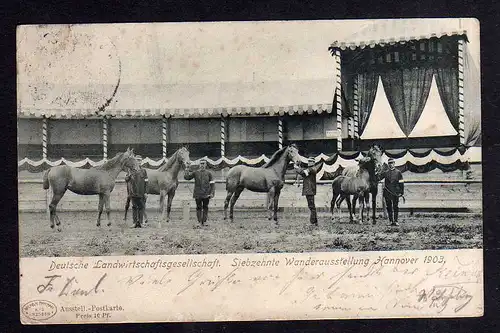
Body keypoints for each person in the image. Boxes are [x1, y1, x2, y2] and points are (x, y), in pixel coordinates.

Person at [184, 159, 215, 226]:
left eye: (203, 163)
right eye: (201, 163)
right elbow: (187, 177)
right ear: (199, 164)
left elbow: (212, 184)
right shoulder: (195, 173)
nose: (202, 165)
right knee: (198, 207)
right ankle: (199, 222)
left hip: (206, 194)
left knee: (205, 207)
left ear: (206, 165)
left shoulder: (209, 173)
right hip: (197, 194)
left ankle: (205, 221)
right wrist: (187, 168)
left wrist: (212, 193)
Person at [125, 155, 148, 228]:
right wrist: (129, 176)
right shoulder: (130, 170)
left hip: (141, 192)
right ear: (135, 161)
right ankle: (134, 223)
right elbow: (126, 179)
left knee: (141, 207)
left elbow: (146, 182)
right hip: (133, 193)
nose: (139, 162)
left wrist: (146, 192)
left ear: (141, 161)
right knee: (134, 207)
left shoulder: (144, 171)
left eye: (140, 160)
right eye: (137, 160)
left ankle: (141, 223)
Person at [294, 157, 319, 225]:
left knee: (311, 206)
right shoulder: (311, 169)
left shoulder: (312, 169)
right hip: (310, 190)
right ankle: (314, 221)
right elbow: (303, 173)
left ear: (313, 162)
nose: (309, 162)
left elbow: (302, 172)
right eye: (308, 161)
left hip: (310, 190)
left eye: (310, 161)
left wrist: (296, 167)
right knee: (311, 206)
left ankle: (313, 222)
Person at [382, 158, 404, 226]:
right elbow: (379, 178)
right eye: (389, 163)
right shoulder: (385, 173)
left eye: (392, 163)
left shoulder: (398, 172)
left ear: (394, 163)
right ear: (388, 165)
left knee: (395, 206)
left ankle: (396, 221)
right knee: (389, 207)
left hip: (395, 192)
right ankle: (391, 221)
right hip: (387, 192)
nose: (391, 165)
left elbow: (401, 183)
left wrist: (401, 192)